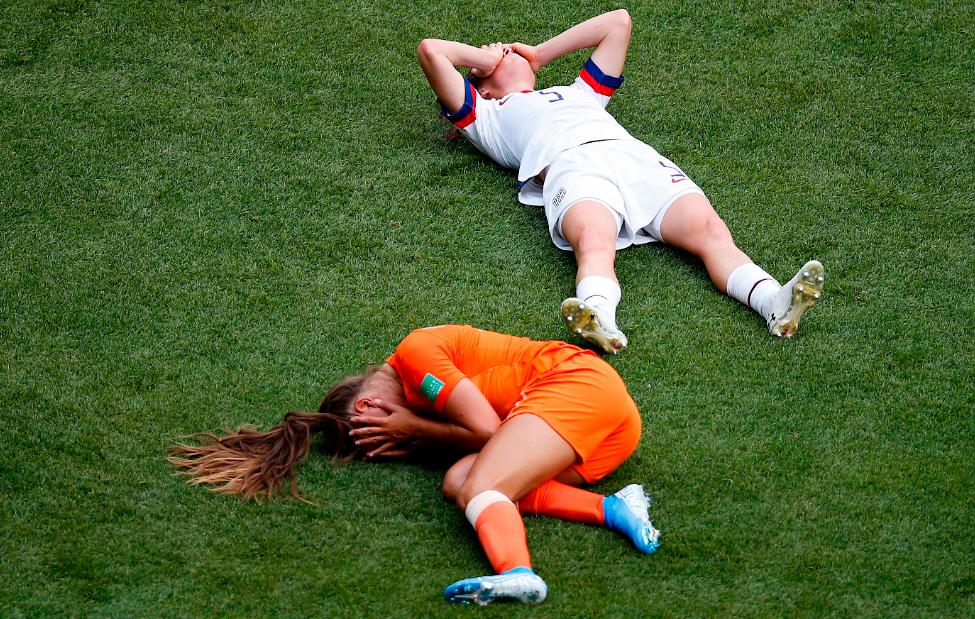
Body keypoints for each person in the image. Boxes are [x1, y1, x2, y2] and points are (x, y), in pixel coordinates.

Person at [417, 10, 826, 354]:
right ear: (482, 88)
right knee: (594, 242)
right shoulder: (487, 119)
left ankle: (773, 301)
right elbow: (432, 50)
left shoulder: (580, 94)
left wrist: (538, 54)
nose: (500, 46)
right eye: (491, 54)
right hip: (573, 169)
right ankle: (600, 319)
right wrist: (490, 60)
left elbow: (618, 22)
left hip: (636, 160)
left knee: (712, 232)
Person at [170, 325, 659, 606]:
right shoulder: (421, 408)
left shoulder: (416, 357)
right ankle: (617, 507)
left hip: (576, 388)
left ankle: (519, 573)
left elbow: (488, 432)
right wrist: (414, 433)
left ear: (366, 409)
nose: (398, 438)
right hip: (599, 438)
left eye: (381, 436)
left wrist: (413, 429)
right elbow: (488, 443)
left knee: (481, 484)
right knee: (459, 480)